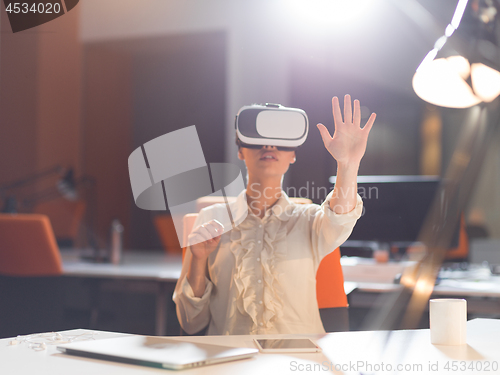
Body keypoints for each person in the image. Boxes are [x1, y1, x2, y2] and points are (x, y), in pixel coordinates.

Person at [173, 95, 376, 335]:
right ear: (240, 151)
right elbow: (190, 323)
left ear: (293, 155)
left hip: (298, 363)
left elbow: (341, 217)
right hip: (230, 363)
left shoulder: (309, 220)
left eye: (280, 142)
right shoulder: (211, 219)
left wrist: (348, 165)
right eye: (258, 140)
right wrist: (197, 260)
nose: (269, 146)